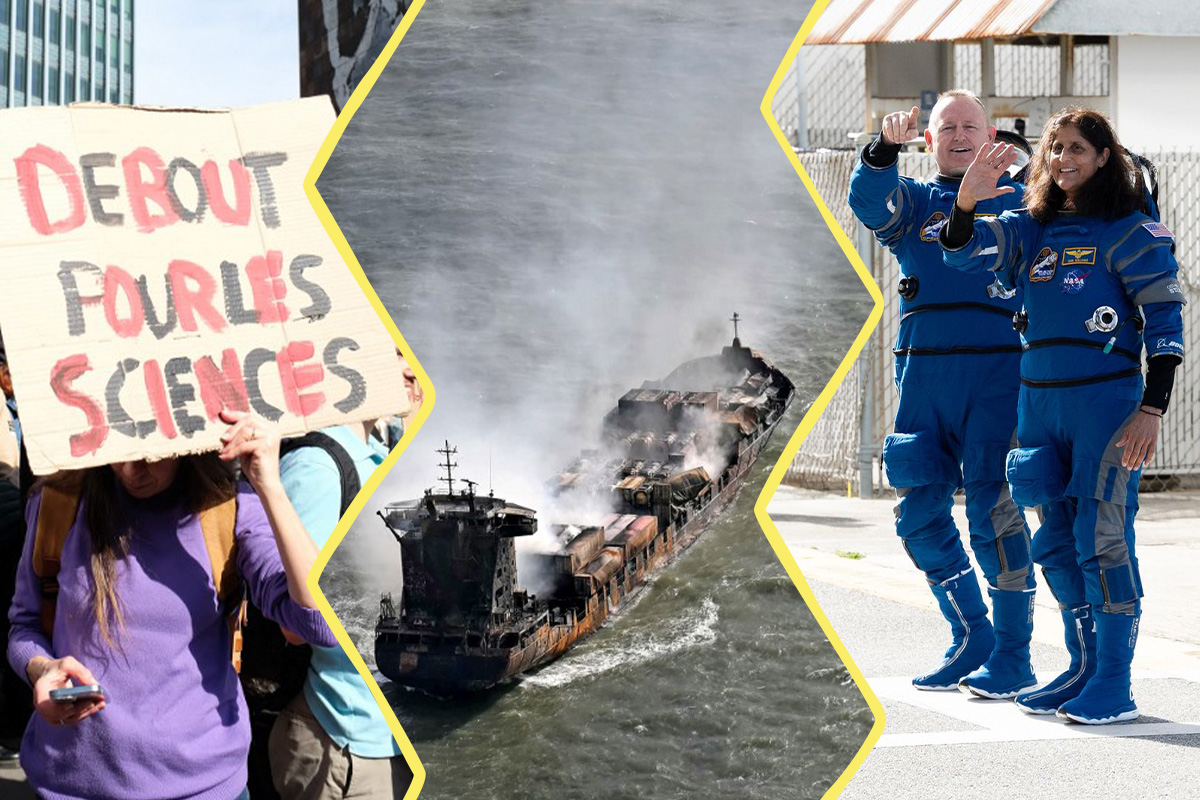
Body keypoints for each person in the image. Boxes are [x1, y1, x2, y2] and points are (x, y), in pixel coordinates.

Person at [941, 108, 1185, 723]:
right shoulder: (1033, 226)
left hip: (1105, 404)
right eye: (1055, 149)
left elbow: (1165, 324)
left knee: (1101, 539)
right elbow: (965, 256)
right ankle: (1080, 667)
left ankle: (1113, 682)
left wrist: (1151, 408)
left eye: (1077, 148)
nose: (1063, 159)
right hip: (1039, 402)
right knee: (1052, 540)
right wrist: (966, 205)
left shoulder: (1130, 230)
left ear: (1104, 156)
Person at [6, 409, 338, 798]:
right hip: (70, 784)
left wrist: (270, 487)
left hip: (205, 786)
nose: (132, 470)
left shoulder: (228, 509)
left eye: (150, 454)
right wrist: (41, 668)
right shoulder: (57, 504)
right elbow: (23, 626)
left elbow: (317, 624)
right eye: (119, 448)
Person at [847, 91, 1036, 697]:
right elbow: (867, 202)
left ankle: (1013, 656)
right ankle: (971, 633)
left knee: (994, 512)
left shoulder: (1025, 202)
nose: (959, 134)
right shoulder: (917, 203)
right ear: (929, 140)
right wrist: (881, 151)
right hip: (923, 377)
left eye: (970, 125)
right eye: (946, 126)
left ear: (991, 135)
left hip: (998, 377)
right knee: (918, 513)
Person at [268, 417, 412, 799]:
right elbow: (298, 624)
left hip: (392, 736)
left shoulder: (379, 454)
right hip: (351, 745)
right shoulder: (317, 466)